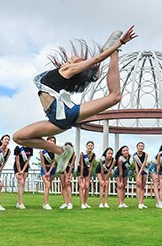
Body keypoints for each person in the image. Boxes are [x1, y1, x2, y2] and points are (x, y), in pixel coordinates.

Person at [12, 26, 138, 175]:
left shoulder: (68, 70)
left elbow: (97, 59)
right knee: (18, 137)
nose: (74, 57)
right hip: (56, 118)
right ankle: (62, 152)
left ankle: (114, 52)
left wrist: (120, 43)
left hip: (63, 114)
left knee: (115, 96)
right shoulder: (60, 72)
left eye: (78, 61)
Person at [40, 136, 57, 210]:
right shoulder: (42, 152)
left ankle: (45, 203)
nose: (52, 141)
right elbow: (42, 162)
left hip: (52, 169)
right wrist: (46, 172)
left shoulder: (55, 151)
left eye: (53, 140)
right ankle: (46, 204)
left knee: (48, 186)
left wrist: (49, 172)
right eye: (50, 140)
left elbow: (54, 162)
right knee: (47, 184)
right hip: (44, 169)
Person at [13, 144, 33, 209]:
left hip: (25, 167)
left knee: (22, 184)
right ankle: (21, 203)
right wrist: (19, 171)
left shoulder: (30, 148)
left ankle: (19, 202)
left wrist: (23, 170)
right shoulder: (18, 148)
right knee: (21, 182)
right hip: (18, 167)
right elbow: (17, 161)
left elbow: (27, 161)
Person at [78, 141, 96, 209]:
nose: (90, 147)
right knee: (82, 186)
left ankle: (85, 203)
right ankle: (82, 203)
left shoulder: (94, 155)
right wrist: (81, 175)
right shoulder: (82, 154)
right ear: (86, 146)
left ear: (93, 147)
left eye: (91, 146)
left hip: (87, 171)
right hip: (81, 170)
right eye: (89, 145)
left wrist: (89, 175)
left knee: (87, 187)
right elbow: (82, 165)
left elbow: (91, 166)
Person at [133, 142, 149, 209]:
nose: (141, 147)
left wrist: (140, 173)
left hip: (144, 170)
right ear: (137, 147)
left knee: (143, 186)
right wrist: (138, 175)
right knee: (138, 185)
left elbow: (143, 165)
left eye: (142, 146)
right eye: (139, 146)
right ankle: (139, 203)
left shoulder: (146, 154)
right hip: (138, 171)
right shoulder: (134, 156)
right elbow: (136, 166)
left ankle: (142, 203)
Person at [59, 144, 75, 210]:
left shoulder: (74, 155)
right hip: (63, 170)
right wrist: (66, 174)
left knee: (68, 184)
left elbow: (71, 165)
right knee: (63, 185)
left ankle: (70, 203)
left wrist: (68, 175)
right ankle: (65, 203)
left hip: (70, 170)